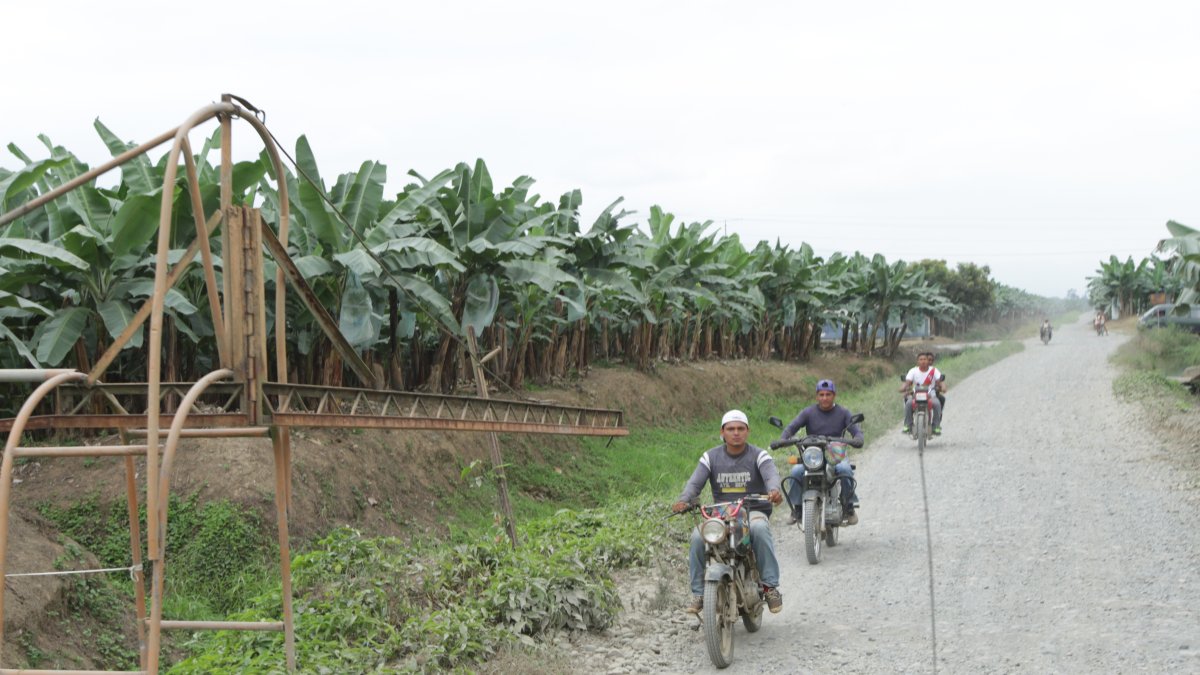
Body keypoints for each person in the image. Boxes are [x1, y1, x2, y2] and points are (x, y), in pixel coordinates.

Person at [672, 409, 784, 615]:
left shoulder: (759, 455)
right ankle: (699, 593)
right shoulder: (710, 457)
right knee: (698, 536)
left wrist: (774, 491)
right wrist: (683, 500)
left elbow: (771, 476)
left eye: (740, 428)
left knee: (759, 528)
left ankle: (770, 587)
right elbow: (694, 483)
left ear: (747, 431)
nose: (736, 433)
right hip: (722, 513)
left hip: (753, 510)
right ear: (722, 432)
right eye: (730, 429)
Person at [779, 379, 864, 526]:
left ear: (834, 395)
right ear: (817, 396)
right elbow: (791, 427)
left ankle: (848, 506)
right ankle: (797, 508)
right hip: (813, 454)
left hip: (835, 454)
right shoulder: (808, 412)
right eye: (821, 394)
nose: (824, 398)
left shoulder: (843, 413)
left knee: (845, 469)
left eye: (828, 394)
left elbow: (856, 430)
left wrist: (857, 438)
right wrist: (783, 438)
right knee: (795, 471)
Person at [901, 351, 945, 435]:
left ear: (928, 361)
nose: (923, 361)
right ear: (917, 361)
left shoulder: (934, 370)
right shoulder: (913, 371)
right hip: (916, 394)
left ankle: (936, 426)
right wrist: (904, 388)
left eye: (925, 359)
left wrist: (942, 387)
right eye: (921, 359)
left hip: (931, 395)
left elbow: (940, 381)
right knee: (908, 404)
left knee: (937, 404)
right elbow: (907, 382)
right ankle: (908, 425)